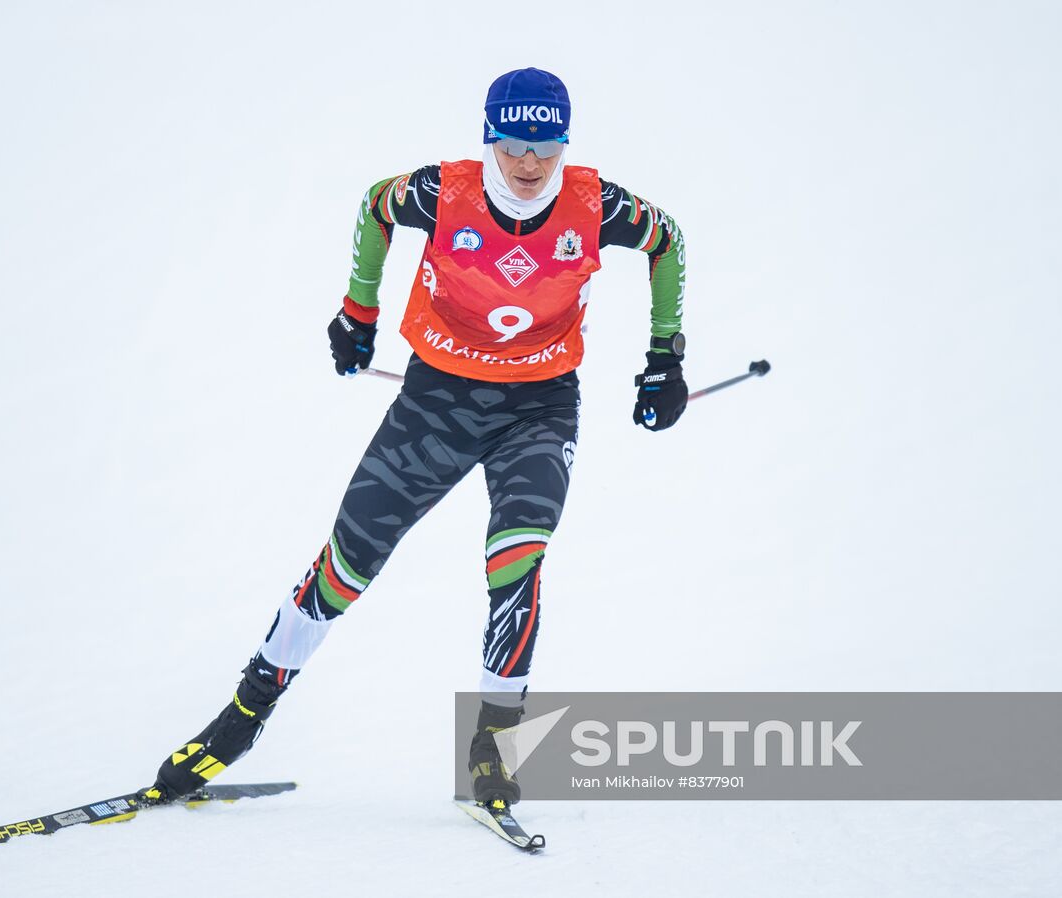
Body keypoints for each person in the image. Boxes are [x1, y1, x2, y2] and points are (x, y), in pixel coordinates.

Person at [142, 67, 687, 811]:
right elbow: (376, 207)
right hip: (438, 401)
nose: (530, 164)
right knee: (347, 566)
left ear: (566, 142)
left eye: (548, 145)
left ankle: (494, 748)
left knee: (518, 558)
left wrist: (666, 357)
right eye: (515, 144)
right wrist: (356, 312)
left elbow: (668, 240)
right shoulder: (442, 192)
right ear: (489, 137)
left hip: (540, 408)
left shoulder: (597, 204)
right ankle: (242, 717)